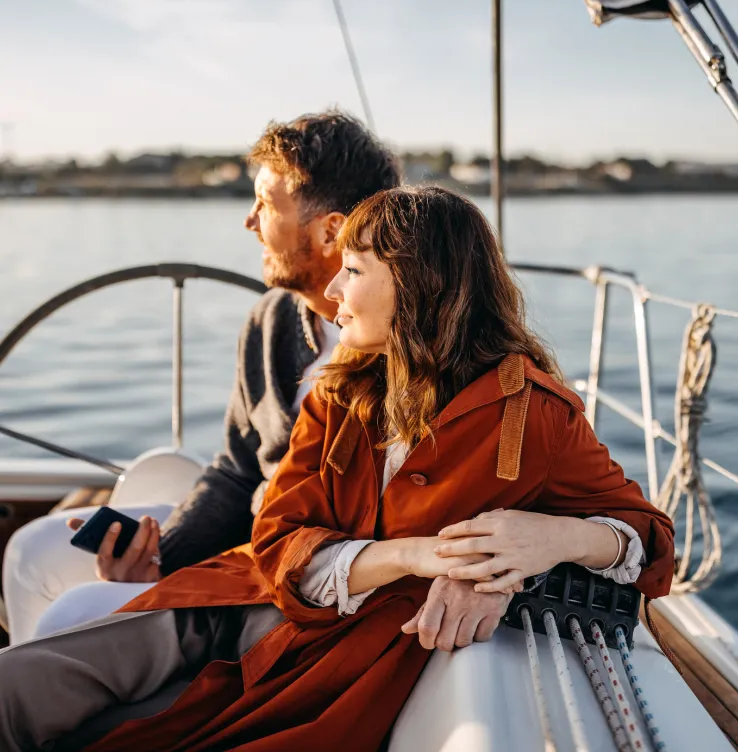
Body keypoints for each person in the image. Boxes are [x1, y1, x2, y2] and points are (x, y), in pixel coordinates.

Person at [0, 186, 675, 752]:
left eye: (352, 270)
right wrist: (413, 556)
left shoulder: (536, 415)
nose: (332, 287)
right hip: (234, 603)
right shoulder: (339, 392)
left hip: (324, 670)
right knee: (22, 684)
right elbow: (275, 540)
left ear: (415, 285)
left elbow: (649, 543)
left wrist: (555, 540)